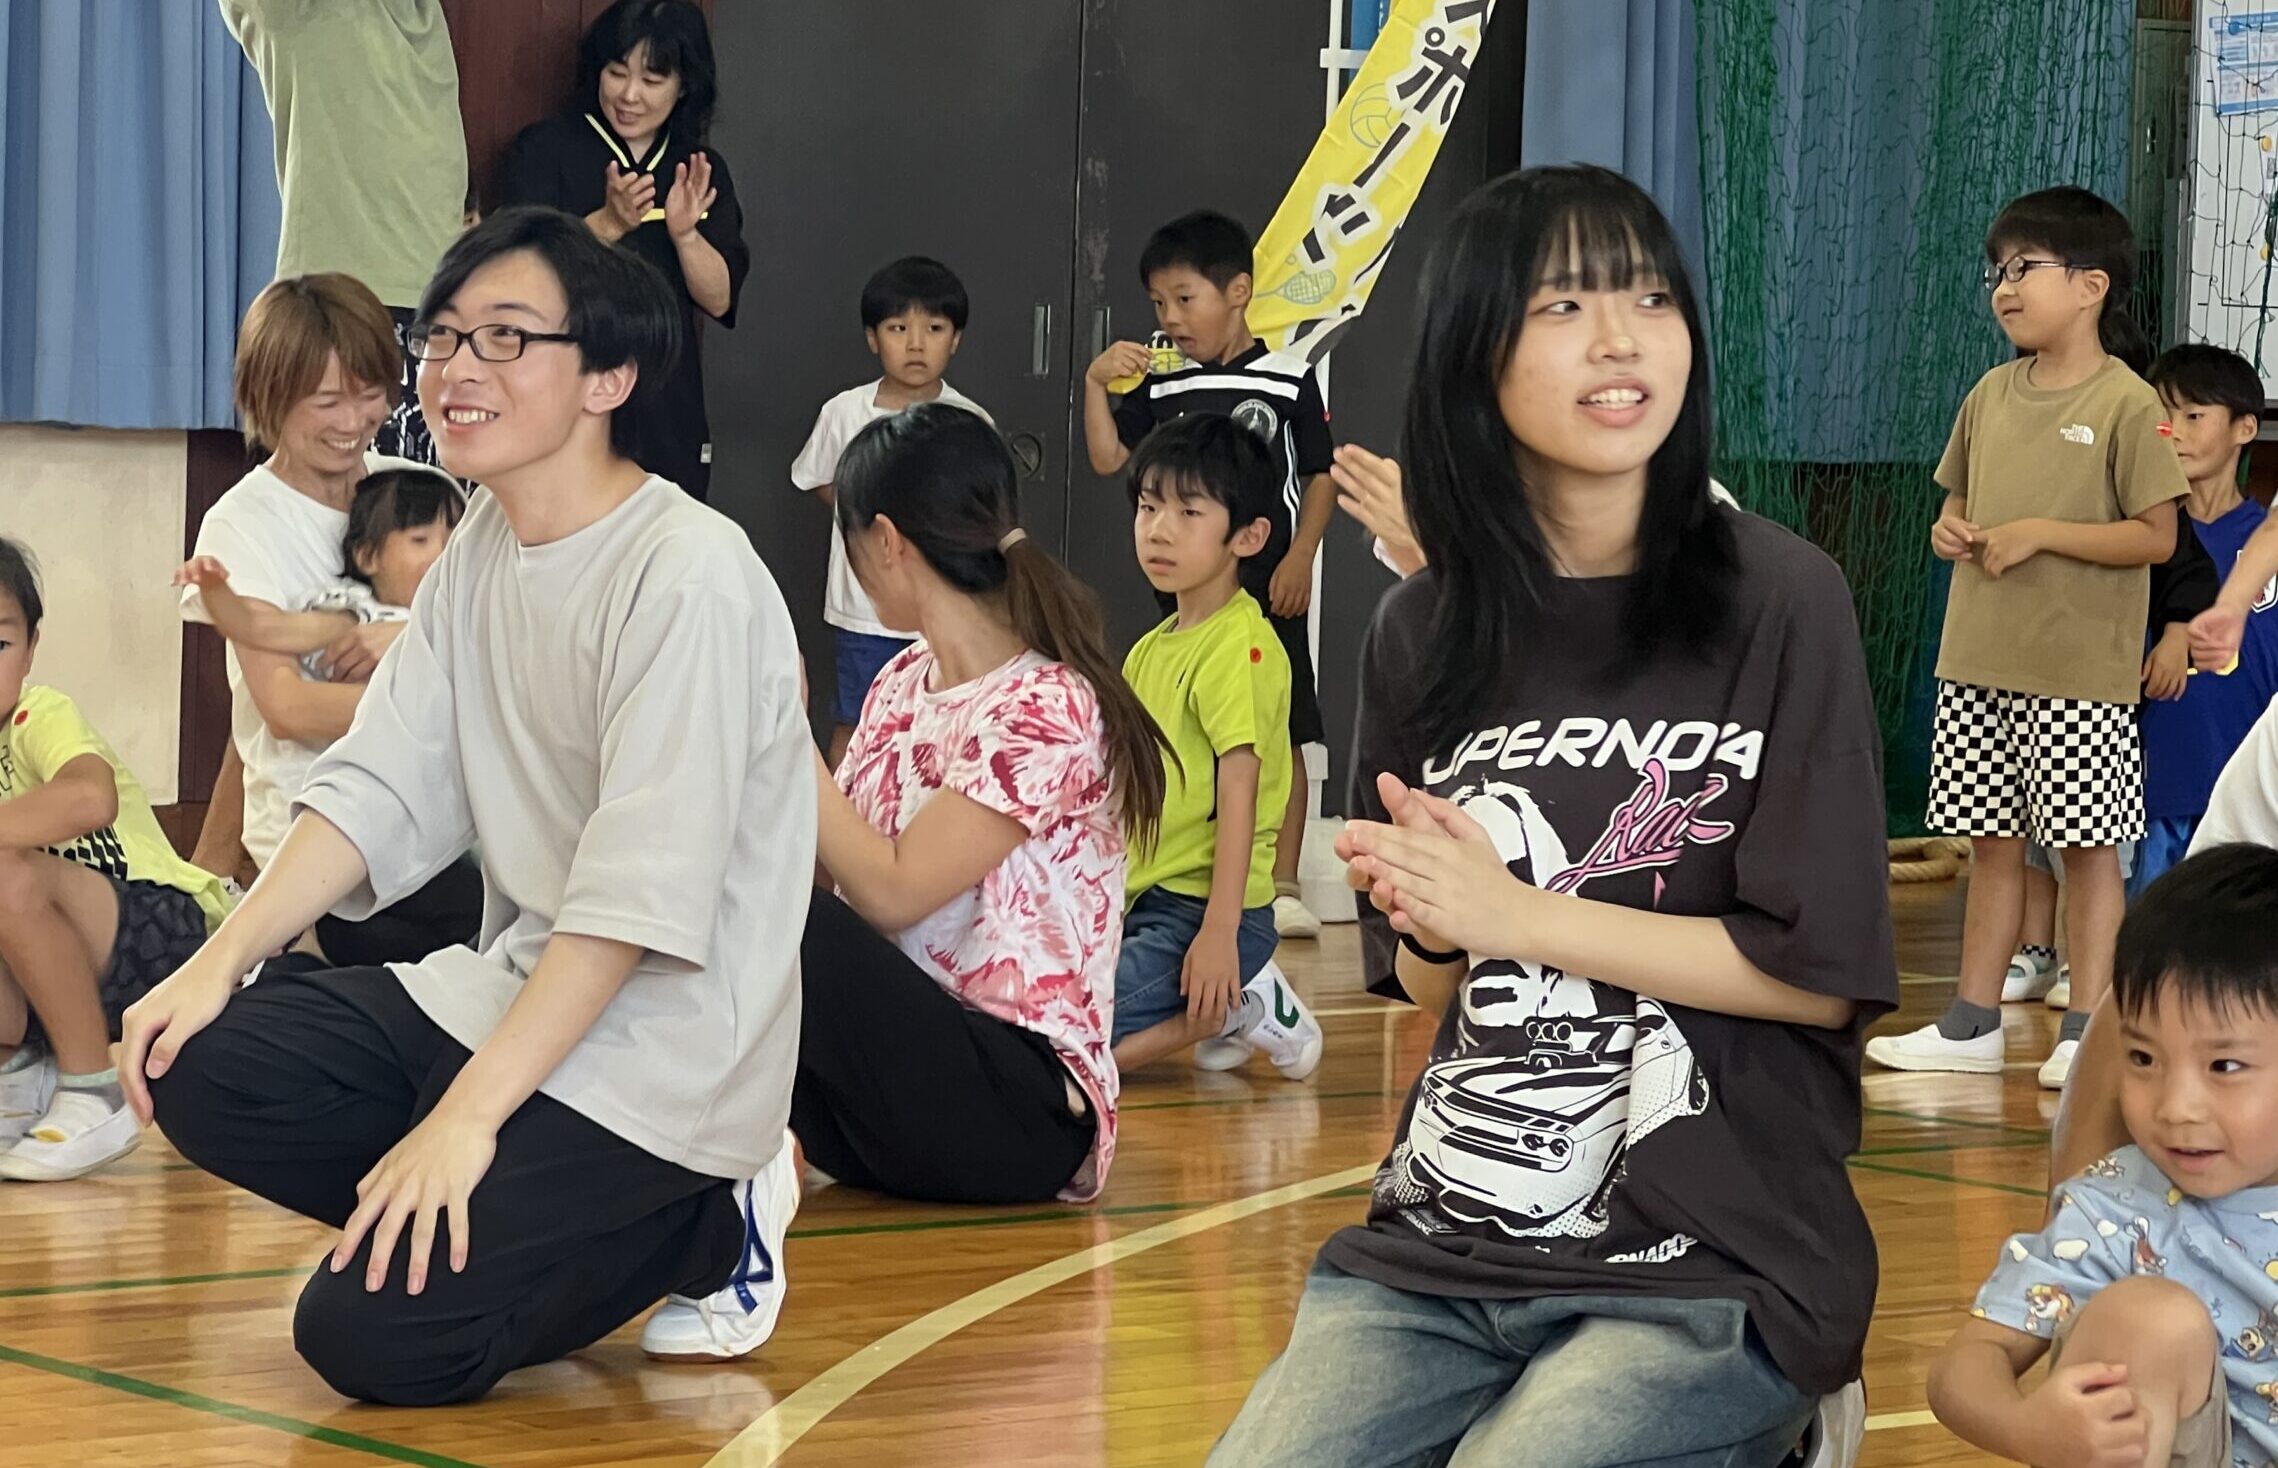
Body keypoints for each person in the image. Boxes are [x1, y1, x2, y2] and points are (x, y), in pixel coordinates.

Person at [1209, 165, 1896, 1468]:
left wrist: (1520, 911)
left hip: (1719, 1247)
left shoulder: (1778, 598)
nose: (1622, 337)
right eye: (1563, 305)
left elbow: (1818, 977)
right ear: (1477, 354)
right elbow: (1428, 990)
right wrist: (1435, 918)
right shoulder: (1421, 628)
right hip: (1447, 1240)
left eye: (1648, 296)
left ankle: (1786, 1419)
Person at [122, 207, 813, 1404]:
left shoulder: (688, 575)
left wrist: (466, 1120)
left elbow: (633, 901)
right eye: (442, 338)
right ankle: (500, 1217)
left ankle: (702, 1218)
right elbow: (382, 781)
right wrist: (220, 956)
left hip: (659, 1050)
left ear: (607, 375)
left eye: (503, 338)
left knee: (369, 1339)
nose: (453, 370)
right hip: (515, 989)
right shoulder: (485, 546)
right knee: (199, 1057)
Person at [1867, 187, 2185, 1090]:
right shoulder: (1989, 393)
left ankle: (2089, 1025)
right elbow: (1956, 506)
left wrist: (2042, 532)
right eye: (1996, 272)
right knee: (1992, 847)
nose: (2003, 288)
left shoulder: (2127, 403)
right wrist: (1952, 531)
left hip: (2079, 675)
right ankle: (1970, 1021)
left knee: (2087, 853)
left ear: (2091, 286)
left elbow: (2156, 536)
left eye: (2024, 270)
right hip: (1977, 665)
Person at [1929, 844, 2278, 1468]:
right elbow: (1965, 1365)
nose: (2176, 1107)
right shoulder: (2119, 1208)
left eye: (2224, 1066)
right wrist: (2025, 1427)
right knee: (2147, 1320)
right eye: (2143, 1059)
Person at [181, 274, 481, 969]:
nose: (353, 421)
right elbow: (286, 707)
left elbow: (487, 639)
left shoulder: (420, 489)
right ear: (269, 397)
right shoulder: (240, 524)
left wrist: (403, 640)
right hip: (317, 847)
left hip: (432, 828)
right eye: (326, 401)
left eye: (370, 393)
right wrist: (437, 689)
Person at [1083, 210, 1333, 941]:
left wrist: (1301, 557)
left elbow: (1320, 475)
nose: (1170, 318)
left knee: (1280, 731)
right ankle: (1175, 873)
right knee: (1185, 731)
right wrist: (1098, 385)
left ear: (1238, 292)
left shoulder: (1290, 376)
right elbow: (1108, 459)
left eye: (1185, 299)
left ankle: (1280, 885)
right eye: (1159, 304)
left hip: (1268, 588)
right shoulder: (1163, 383)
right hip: (1186, 601)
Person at [0, 540, 236, 1181]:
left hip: (162, 928)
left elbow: (90, 798)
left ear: (31, 649)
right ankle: (20, 1071)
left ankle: (94, 1089)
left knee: (5, 877)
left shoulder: (35, 713)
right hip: (69, 967)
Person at [1111, 415, 1322, 1078]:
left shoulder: (1241, 646)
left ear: (1249, 536)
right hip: (1140, 900)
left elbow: (1241, 791)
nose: (1159, 529)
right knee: (1040, 1011)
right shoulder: (1149, 648)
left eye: (1188, 511)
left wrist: (1220, 934)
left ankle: (1241, 1003)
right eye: (1148, 507)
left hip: (1205, 910)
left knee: (1068, 1040)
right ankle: (1231, 1005)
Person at [496, 0, 748, 501]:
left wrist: (685, 235)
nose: (629, 95)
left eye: (653, 81)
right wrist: (607, 225)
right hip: (564, 393)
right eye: (616, 73)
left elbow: (720, 300)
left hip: (666, 402)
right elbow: (515, 274)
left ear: (684, 86)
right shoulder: (546, 149)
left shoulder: (697, 167)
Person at [221, 0, 467, 465]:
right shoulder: (300, 16)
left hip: (445, 307)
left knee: (437, 525)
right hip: (346, 307)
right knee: (359, 519)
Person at [792, 257, 992, 767]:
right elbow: (817, 479)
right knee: (857, 720)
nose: (917, 343)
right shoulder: (844, 412)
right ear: (872, 338)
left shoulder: (969, 420)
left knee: (944, 718)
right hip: (864, 611)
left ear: (958, 339)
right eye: (899, 328)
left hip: (944, 606)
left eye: (935, 328)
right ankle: (840, 837)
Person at [2133, 344, 2277, 895]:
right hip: (2156, 787)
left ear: (2244, 428)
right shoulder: (2139, 538)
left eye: (2193, 416)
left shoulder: (2263, 538)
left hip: (2250, 792)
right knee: (2155, 942)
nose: (2175, 431)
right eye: (2163, 416)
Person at [178, 465, 465, 678]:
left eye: (454, 539)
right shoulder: (355, 614)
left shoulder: (466, 613)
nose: (444, 554)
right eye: (419, 540)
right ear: (367, 557)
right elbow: (260, 628)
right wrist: (216, 590)